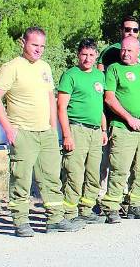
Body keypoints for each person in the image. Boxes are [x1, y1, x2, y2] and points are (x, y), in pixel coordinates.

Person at [0, 27, 81, 236]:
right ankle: (21, 221)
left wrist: (52, 126)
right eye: (34, 45)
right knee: (21, 178)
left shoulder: (45, 67)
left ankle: (55, 219)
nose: (38, 50)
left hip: (45, 132)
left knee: (51, 177)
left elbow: (50, 98)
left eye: (42, 46)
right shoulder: (11, 67)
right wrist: (9, 130)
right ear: (23, 43)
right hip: (23, 132)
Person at [100, 36, 140, 223]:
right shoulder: (114, 69)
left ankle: (135, 204)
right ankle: (112, 207)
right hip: (122, 127)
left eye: (130, 51)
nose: (125, 53)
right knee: (120, 169)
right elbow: (109, 98)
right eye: (123, 50)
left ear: (138, 52)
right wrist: (129, 118)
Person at [57, 39, 107, 225]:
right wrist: (67, 135)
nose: (87, 59)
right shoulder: (71, 75)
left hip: (95, 132)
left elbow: (99, 105)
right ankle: (69, 213)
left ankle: (86, 210)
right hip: (77, 129)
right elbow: (61, 107)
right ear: (78, 55)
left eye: (91, 55)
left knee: (94, 173)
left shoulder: (99, 76)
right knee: (74, 173)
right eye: (84, 54)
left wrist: (103, 129)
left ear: (96, 57)